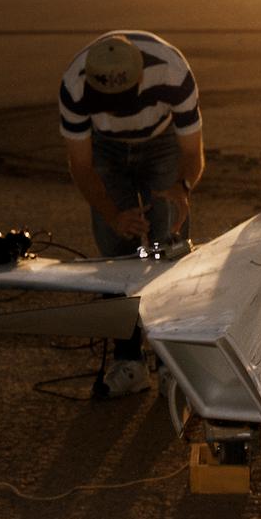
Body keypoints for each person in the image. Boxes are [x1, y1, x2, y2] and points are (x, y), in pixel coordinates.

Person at [59, 30, 204, 397]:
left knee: (170, 248)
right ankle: (129, 363)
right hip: (104, 149)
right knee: (114, 256)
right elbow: (81, 166)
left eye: (120, 100)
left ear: (140, 79)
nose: (112, 108)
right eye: (104, 100)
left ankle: (172, 362)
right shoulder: (74, 87)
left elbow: (192, 152)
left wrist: (181, 190)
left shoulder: (172, 71)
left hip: (163, 141)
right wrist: (112, 214)